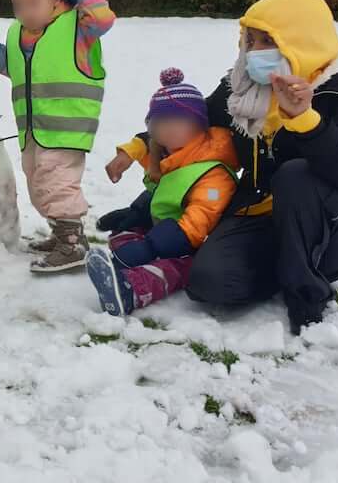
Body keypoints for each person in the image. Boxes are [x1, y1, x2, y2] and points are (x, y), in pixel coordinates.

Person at [106, 0, 338, 333]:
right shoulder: (241, 90)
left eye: (268, 41)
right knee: (209, 282)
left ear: (300, 41)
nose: (255, 51)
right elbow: (192, 129)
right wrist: (139, 147)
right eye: (251, 40)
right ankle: (284, 267)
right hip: (262, 213)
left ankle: (306, 294)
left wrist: (305, 118)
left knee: (296, 175)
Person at [0, 0, 115, 272]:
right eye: (19, 4)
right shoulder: (19, 34)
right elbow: (18, 69)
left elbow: (103, 20)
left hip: (67, 128)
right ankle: (64, 236)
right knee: (38, 183)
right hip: (32, 129)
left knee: (57, 183)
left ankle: (71, 245)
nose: (26, 11)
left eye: (34, 2)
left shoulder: (78, 27)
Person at [86, 69, 238, 316]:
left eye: (176, 122)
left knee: (175, 268)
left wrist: (152, 246)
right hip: (168, 231)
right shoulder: (173, 154)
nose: (166, 129)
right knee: (125, 235)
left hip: (196, 244)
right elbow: (160, 191)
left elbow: (202, 217)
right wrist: (134, 214)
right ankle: (122, 264)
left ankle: (130, 290)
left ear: (199, 125)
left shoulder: (213, 171)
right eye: (159, 122)